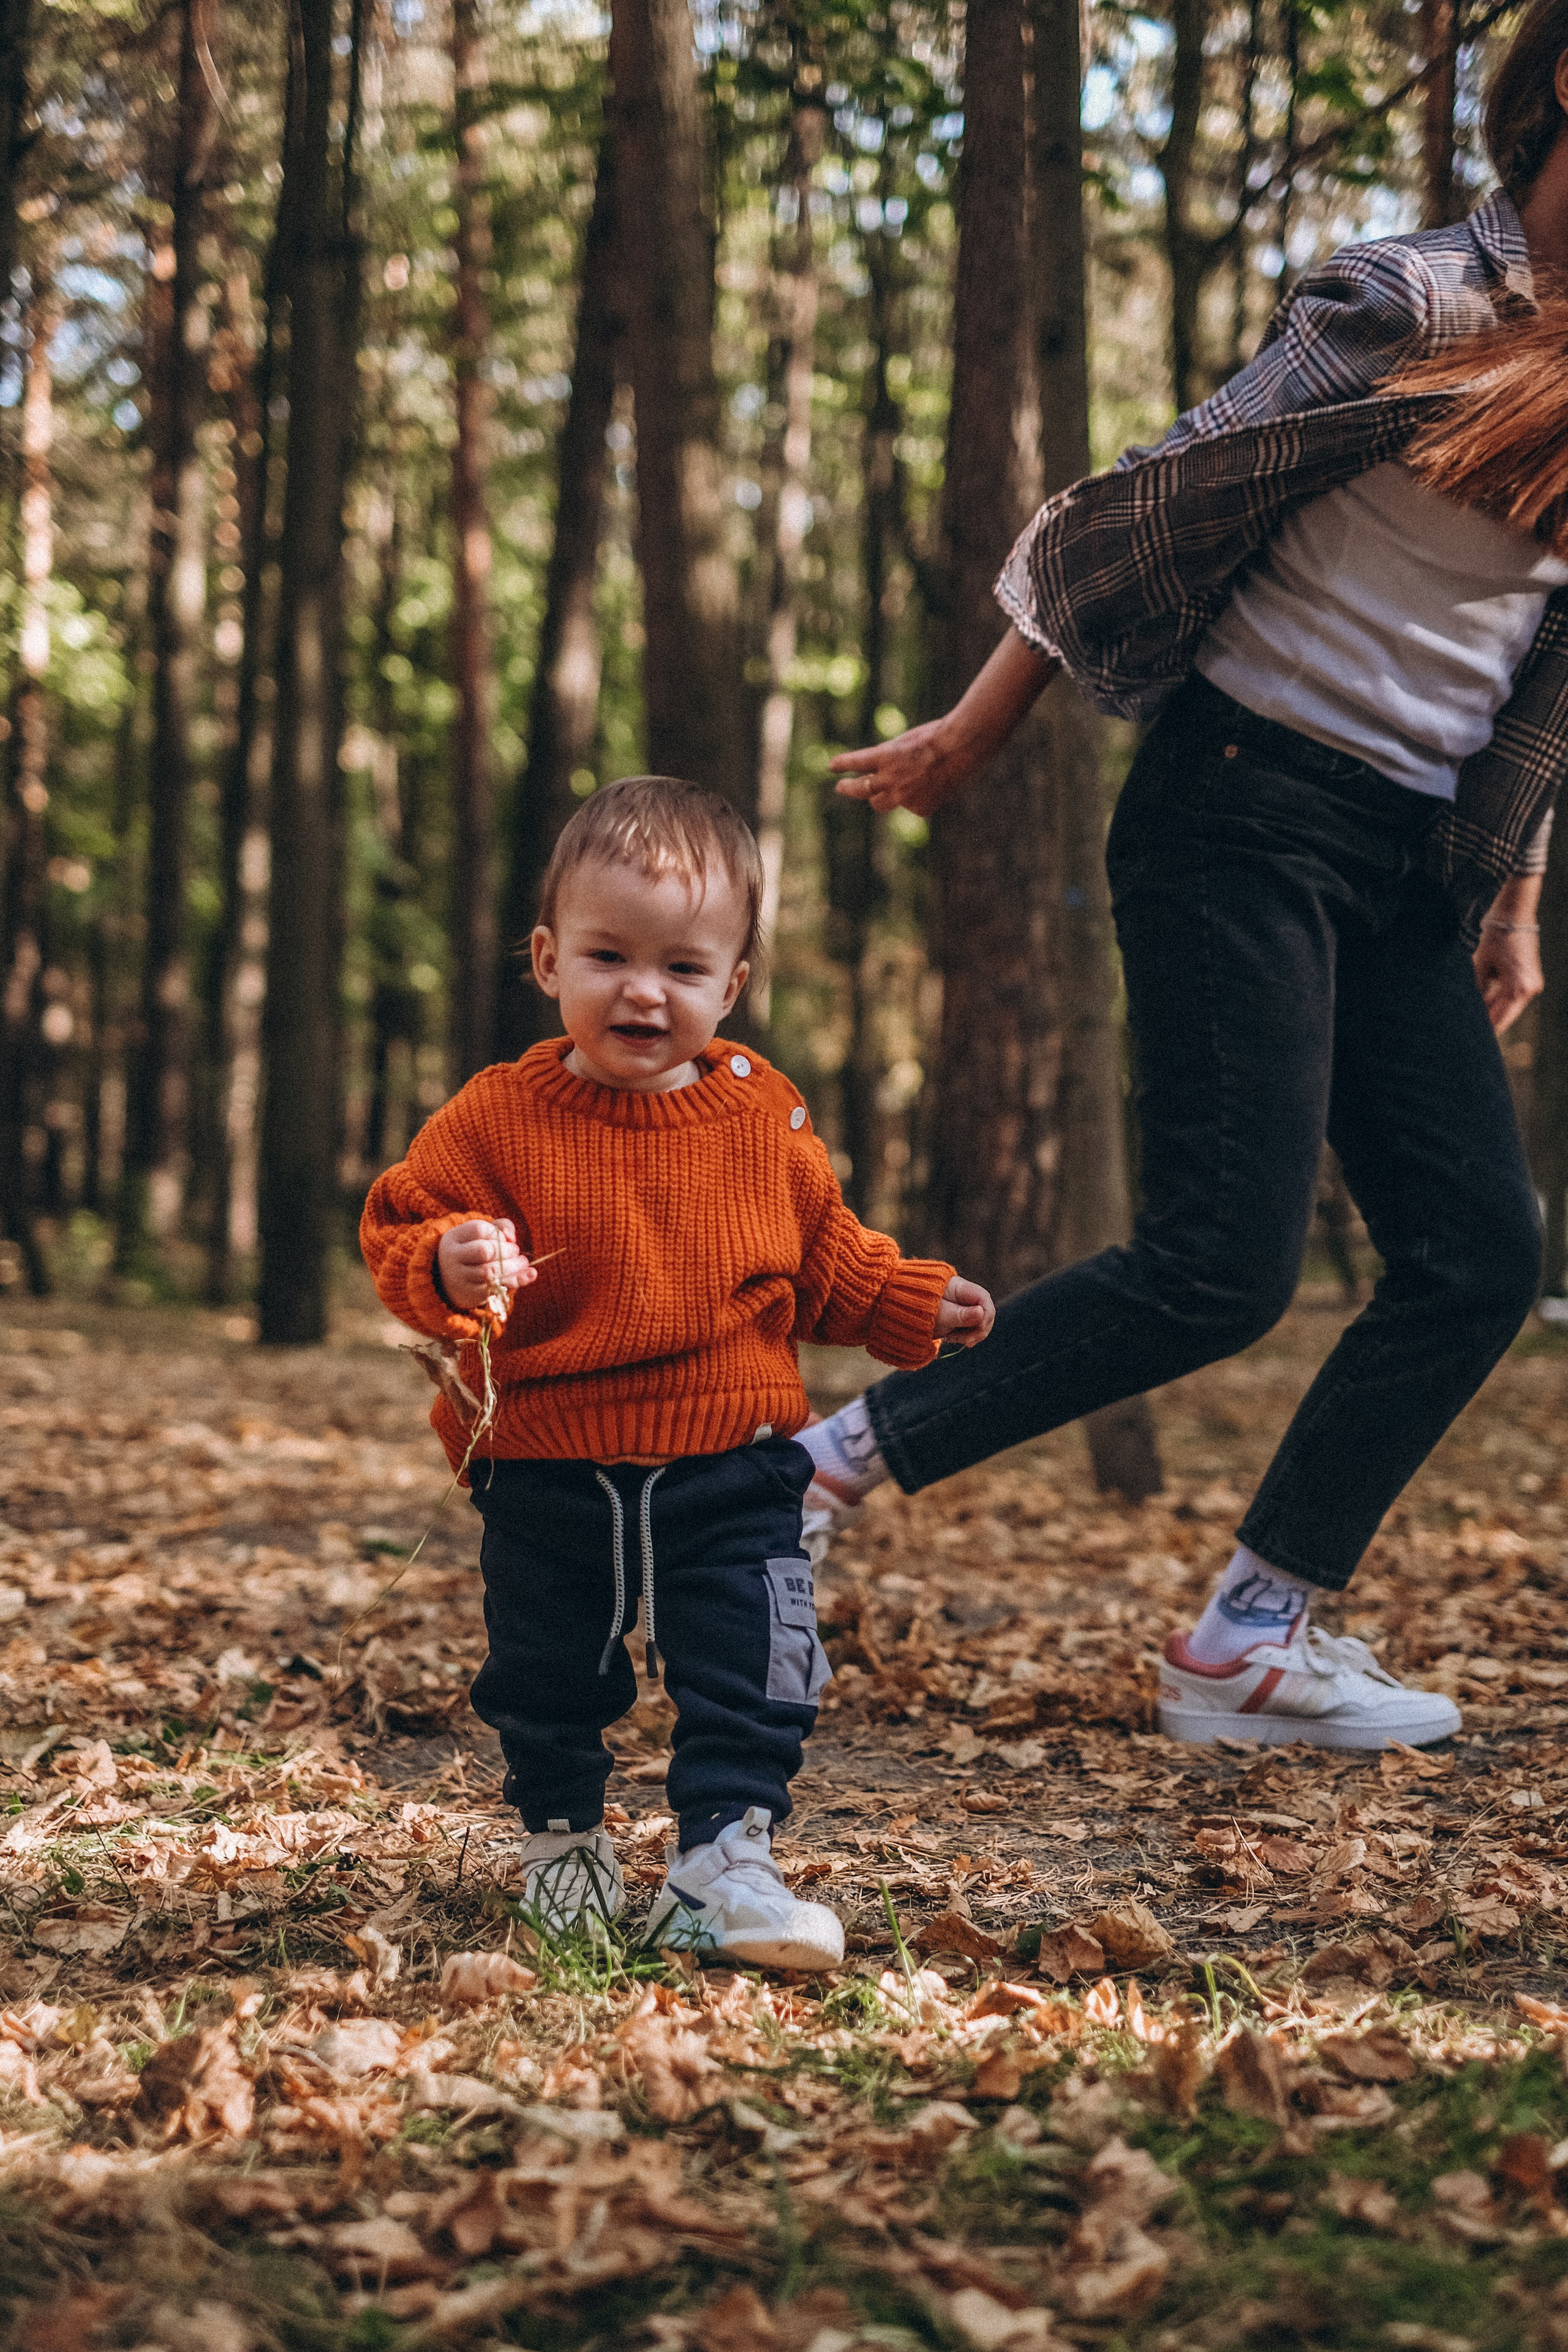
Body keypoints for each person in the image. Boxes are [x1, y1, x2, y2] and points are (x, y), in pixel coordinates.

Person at [798, 0, 1568, 1752]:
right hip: (1240, 803)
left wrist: (1509, 903)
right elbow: (1147, 498)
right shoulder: (1411, 303)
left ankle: (1248, 1641)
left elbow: (1540, 676)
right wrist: (977, 733)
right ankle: (807, 1472)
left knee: (1475, 1254)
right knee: (1221, 1264)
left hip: (1403, 859)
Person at [361, 777, 995, 1962]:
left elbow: (823, 1259)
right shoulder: (495, 1119)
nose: (643, 990)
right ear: (548, 960)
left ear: (731, 985)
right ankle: (562, 1847)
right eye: (608, 955)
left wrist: (909, 1301)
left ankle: (724, 1862)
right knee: (547, 1671)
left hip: (732, 1462)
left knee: (752, 1662)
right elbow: (401, 1225)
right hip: (549, 1465)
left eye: (682, 967)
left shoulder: (761, 1118)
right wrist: (446, 1263)